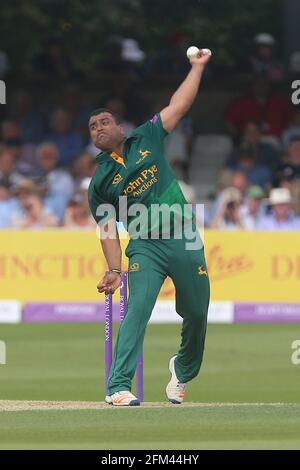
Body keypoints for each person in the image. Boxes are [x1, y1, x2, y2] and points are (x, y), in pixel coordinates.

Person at [88, 49, 211, 406]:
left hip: (184, 235)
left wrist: (197, 67)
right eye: (93, 127)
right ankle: (118, 386)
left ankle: (183, 370)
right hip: (144, 244)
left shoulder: (147, 137)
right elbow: (108, 229)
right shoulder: (100, 181)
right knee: (138, 309)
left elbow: (179, 104)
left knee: (197, 311)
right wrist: (113, 268)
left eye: (104, 122)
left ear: (119, 127)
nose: (99, 128)